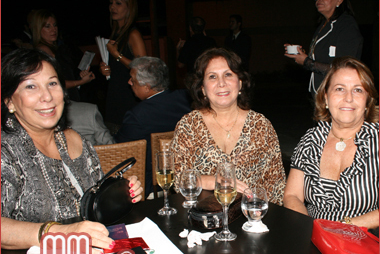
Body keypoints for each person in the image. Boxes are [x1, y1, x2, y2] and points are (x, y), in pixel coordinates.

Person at [1, 48, 143, 253]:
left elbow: (93, 202)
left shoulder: (74, 139)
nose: (47, 96)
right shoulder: (6, 152)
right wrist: (61, 233)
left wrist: (120, 194)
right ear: (9, 101)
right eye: (31, 86)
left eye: (52, 83)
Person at [171, 48, 285, 205]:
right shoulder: (189, 126)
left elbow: (276, 187)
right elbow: (178, 180)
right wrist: (215, 181)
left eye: (228, 74)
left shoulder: (261, 125)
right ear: (203, 89)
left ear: (240, 83)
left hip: (250, 216)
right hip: (203, 218)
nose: (221, 83)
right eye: (212, 77)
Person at [284, 56, 378, 230]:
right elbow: (292, 195)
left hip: (363, 241)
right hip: (312, 237)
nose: (348, 98)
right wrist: (310, 230)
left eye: (358, 90)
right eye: (340, 89)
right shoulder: (311, 139)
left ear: (367, 101)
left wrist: (342, 228)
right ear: (326, 98)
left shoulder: (376, 142)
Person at [114, 56, 192, 199]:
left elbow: (121, 151)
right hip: (188, 179)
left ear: (147, 87)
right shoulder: (186, 99)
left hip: (151, 188)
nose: (129, 82)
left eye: (133, 79)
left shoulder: (137, 115)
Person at [284, 0, 363, 97]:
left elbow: (342, 68)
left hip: (339, 96)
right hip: (320, 94)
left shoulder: (347, 25)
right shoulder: (323, 25)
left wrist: (306, 62)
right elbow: (322, 58)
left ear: (339, 0)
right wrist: (300, 54)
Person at [100, 0, 147, 126]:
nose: (113, 7)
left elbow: (143, 67)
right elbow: (119, 66)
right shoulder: (116, 33)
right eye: (111, 3)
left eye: (118, 3)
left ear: (129, 8)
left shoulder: (133, 34)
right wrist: (106, 68)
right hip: (115, 92)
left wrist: (116, 55)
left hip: (129, 94)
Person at [31, 9, 95, 101]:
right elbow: (53, 82)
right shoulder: (43, 50)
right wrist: (80, 82)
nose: (53, 29)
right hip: (62, 99)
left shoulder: (54, 48)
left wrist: (80, 75)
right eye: (48, 26)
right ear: (38, 29)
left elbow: (64, 74)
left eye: (55, 25)